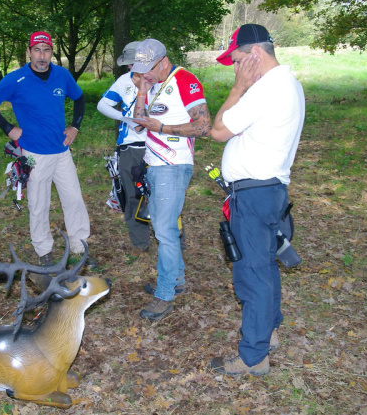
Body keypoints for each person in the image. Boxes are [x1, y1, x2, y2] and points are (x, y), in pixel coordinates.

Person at [208, 24, 305, 376]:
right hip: (265, 191)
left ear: (254, 55)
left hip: (255, 194)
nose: (235, 69)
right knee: (263, 267)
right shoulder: (287, 83)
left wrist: (237, 89)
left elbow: (218, 131)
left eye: (236, 61)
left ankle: (253, 356)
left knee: (253, 274)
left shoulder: (266, 89)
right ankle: (269, 332)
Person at [0, 31, 93, 271]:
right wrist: (7, 128)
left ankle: (79, 247)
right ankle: (44, 252)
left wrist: (75, 126)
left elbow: (80, 98)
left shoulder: (62, 75)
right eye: (37, 50)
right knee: (39, 203)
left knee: (73, 198)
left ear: (52, 52)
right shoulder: (16, 79)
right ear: (29, 52)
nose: (41, 56)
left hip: (61, 149)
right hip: (34, 153)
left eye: (46, 50)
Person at [131, 39, 211, 321]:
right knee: (164, 228)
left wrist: (163, 127)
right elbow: (138, 120)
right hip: (155, 164)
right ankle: (176, 280)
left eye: (148, 69)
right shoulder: (152, 83)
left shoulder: (184, 79)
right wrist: (142, 89)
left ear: (163, 60)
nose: (146, 74)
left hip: (173, 165)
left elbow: (203, 126)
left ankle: (164, 295)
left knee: (164, 231)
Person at [97, 41, 151, 255]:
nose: (131, 68)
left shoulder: (159, 79)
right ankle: (140, 243)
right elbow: (102, 105)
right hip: (130, 146)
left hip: (157, 145)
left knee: (162, 194)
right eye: (129, 65)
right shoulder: (123, 81)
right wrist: (125, 119)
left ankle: (172, 239)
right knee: (132, 195)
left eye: (134, 63)